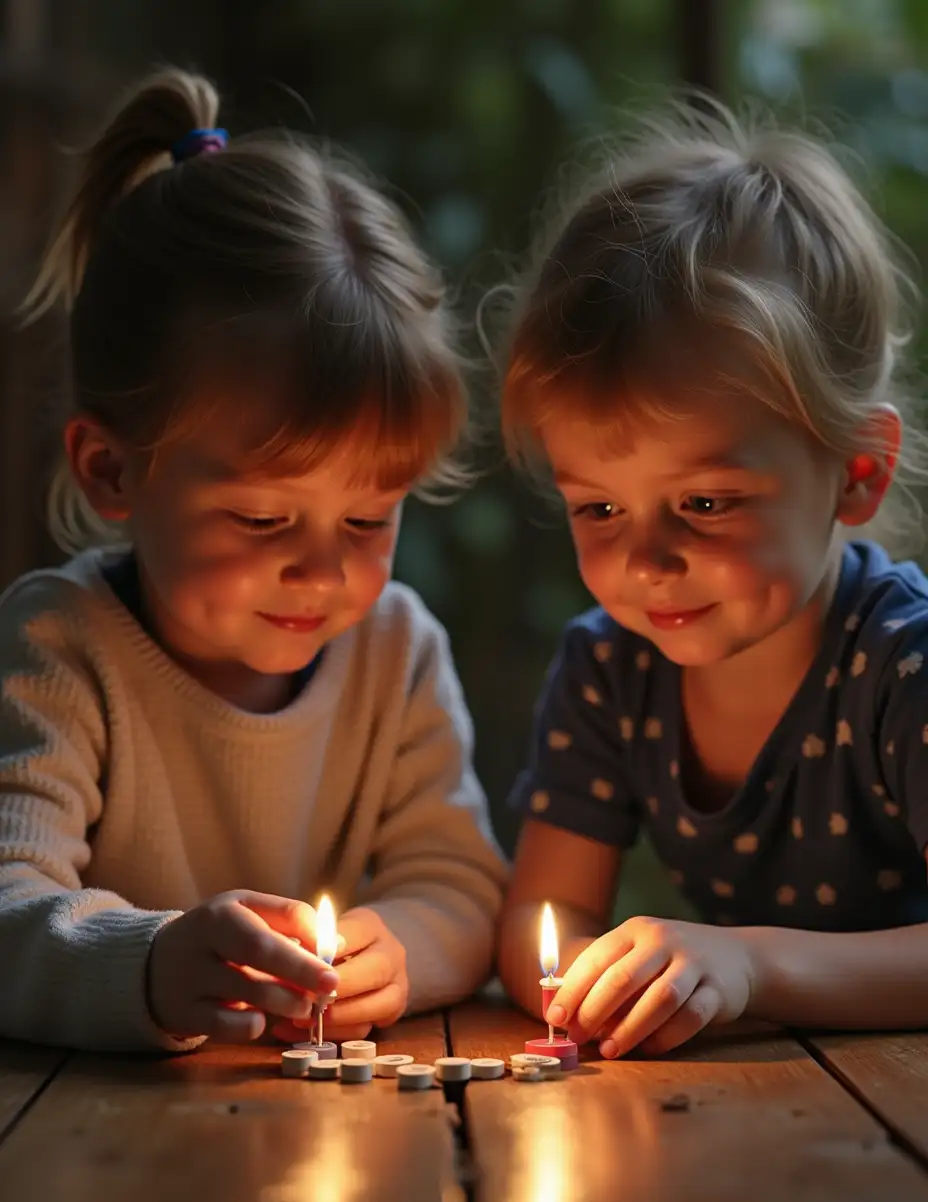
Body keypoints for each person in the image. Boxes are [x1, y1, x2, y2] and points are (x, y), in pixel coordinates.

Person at [0, 68, 506, 1052]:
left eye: (366, 520)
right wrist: (145, 962)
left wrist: (392, 950)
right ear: (112, 470)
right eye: (265, 520)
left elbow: (459, 887)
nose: (322, 573)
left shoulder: (395, 653)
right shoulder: (59, 649)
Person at [496, 99, 928, 1059]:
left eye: (706, 503)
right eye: (599, 508)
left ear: (857, 473)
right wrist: (590, 982)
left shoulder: (904, 667)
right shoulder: (610, 670)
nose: (645, 561)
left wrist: (747, 967)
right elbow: (545, 921)